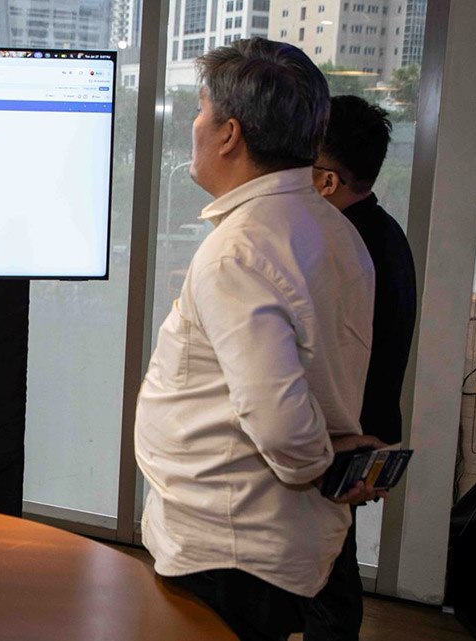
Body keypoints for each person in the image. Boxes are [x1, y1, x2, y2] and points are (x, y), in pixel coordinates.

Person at [134, 38, 383, 640]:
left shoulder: (238, 250)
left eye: (200, 111)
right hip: (266, 539)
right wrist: (334, 458)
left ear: (229, 134)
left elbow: (279, 422)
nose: (194, 126)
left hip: (228, 545)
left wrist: (321, 464)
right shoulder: (334, 228)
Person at [305, 95, 417, 640]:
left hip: (343, 437)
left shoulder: (344, 245)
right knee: (332, 566)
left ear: (329, 179)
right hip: (363, 429)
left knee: (327, 580)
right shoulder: (384, 232)